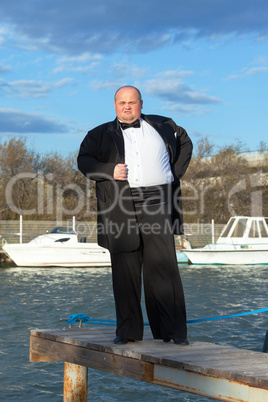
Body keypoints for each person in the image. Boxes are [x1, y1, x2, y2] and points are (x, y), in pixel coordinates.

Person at [77, 86, 193, 345]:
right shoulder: (98, 134)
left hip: (157, 198)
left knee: (163, 267)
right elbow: (83, 161)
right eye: (122, 102)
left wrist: (173, 172)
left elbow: (185, 142)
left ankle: (172, 332)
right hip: (120, 201)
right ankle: (127, 331)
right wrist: (108, 170)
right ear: (115, 105)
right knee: (125, 269)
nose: (127, 107)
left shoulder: (164, 124)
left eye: (132, 102)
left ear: (141, 103)